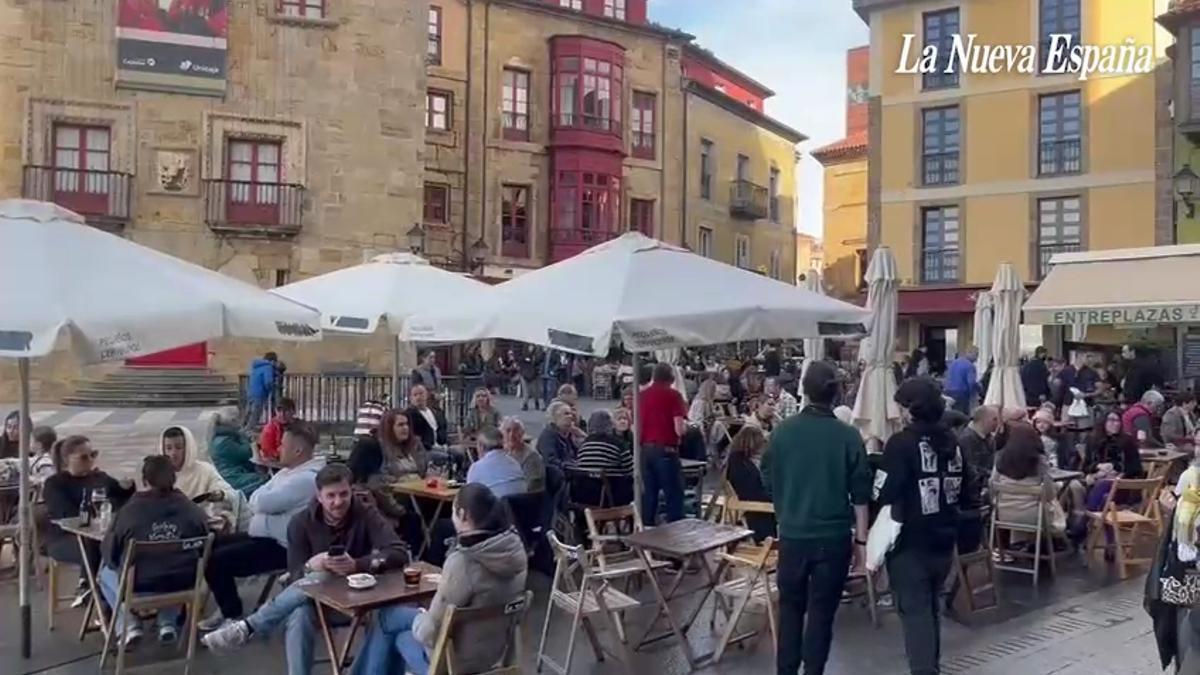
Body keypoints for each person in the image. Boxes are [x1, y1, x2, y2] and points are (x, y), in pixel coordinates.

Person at [204, 464, 409, 675]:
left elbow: (399, 552)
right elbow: (295, 578)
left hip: (361, 600)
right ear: (319, 496)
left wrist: (358, 564)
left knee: (313, 586)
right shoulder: (300, 523)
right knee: (301, 611)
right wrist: (312, 565)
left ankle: (249, 627)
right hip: (318, 603)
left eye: (343, 494)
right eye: (331, 496)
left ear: (351, 491)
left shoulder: (365, 513)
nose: (338, 502)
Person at [761, 361, 871, 675]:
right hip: (833, 536)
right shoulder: (848, 436)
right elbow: (861, 495)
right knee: (822, 613)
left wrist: (787, 500)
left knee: (791, 609)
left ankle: (786, 670)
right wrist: (861, 543)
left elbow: (767, 476)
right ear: (836, 393)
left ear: (805, 392)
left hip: (794, 533)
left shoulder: (783, 432)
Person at [350, 483, 528, 675]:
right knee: (394, 627)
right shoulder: (516, 552)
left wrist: (420, 616)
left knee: (388, 622)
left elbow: (429, 633)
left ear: (462, 514)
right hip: (492, 654)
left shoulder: (464, 563)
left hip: (453, 664)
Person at [877, 377, 978, 675]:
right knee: (930, 609)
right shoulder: (954, 444)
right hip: (944, 539)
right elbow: (966, 491)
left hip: (910, 541)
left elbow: (884, 491)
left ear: (910, 409)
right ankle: (930, 667)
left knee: (915, 613)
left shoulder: (901, 444)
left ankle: (925, 670)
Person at [201, 422, 325, 630]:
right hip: (263, 537)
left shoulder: (305, 479)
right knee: (210, 544)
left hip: (284, 547)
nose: (278, 449)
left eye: (283, 445)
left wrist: (261, 502)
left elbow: (261, 501)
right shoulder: (288, 473)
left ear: (298, 450)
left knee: (217, 560)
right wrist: (262, 502)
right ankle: (226, 606)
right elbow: (259, 495)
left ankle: (232, 615)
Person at [98, 455, 209, 646]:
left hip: (140, 585)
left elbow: (111, 553)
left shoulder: (130, 511)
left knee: (105, 573)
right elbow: (204, 540)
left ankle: (129, 625)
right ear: (174, 479)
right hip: (185, 583)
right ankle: (168, 622)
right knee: (173, 566)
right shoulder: (190, 509)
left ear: (144, 480)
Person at [43, 435, 136, 607]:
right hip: (63, 538)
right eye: (84, 457)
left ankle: (107, 597)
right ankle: (94, 594)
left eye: (93, 454)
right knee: (95, 547)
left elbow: (122, 498)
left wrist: (127, 487)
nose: (90, 460)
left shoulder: (100, 477)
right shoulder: (55, 484)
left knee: (120, 546)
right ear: (66, 459)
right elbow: (66, 514)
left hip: (98, 536)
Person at [991, 421, 1062, 545]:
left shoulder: (1001, 459)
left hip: (1004, 515)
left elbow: (992, 486)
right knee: (1055, 503)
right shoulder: (1039, 461)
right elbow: (1050, 494)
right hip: (1033, 517)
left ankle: (1019, 544)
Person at [160, 426, 240, 531]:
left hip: (201, 528)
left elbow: (230, 493)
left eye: (178, 447)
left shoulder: (205, 470)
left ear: (188, 448)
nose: (173, 453)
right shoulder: (159, 474)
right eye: (169, 448)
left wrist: (220, 494)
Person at [639, 362, 689, 526]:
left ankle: (646, 533)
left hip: (645, 450)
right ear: (671, 378)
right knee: (673, 496)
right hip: (666, 450)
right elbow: (679, 429)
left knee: (649, 496)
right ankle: (675, 537)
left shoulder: (642, 395)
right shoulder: (673, 395)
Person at [573, 410, 634, 507]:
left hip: (582, 496)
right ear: (610, 424)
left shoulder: (583, 445)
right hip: (609, 496)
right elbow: (630, 470)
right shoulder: (618, 444)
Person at [725, 426, 776, 543]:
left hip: (755, 500)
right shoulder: (739, 464)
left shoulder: (740, 461)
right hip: (754, 505)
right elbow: (751, 490)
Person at [346, 438, 408, 525]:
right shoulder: (376, 481)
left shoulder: (347, 477)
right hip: (380, 524)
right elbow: (391, 507)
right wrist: (404, 509)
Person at [210, 411, 267, 497]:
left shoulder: (224, 437)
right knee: (263, 480)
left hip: (233, 472)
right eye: (237, 420)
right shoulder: (225, 442)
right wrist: (246, 438)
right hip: (231, 476)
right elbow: (247, 452)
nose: (240, 423)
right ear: (231, 422)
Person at [466, 427, 527, 498]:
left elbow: (469, 498)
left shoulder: (476, 468)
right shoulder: (515, 463)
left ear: (481, 446)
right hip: (521, 508)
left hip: (493, 508)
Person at [957, 405, 999, 506]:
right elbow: (971, 469)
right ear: (983, 420)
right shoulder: (967, 439)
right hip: (972, 494)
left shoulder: (990, 438)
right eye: (994, 419)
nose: (997, 423)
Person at [1085, 411, 1143, 479]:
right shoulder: (1093, 440)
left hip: (1120, 481)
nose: (1116, 424)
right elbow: (1085, 467)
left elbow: (1136, 467)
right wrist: (1098, 466)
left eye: (1118, 421)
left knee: (1103, 483)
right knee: (1075, 484)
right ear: (1104, 422)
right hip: (1096, 476)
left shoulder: (1127, 441)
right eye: (1111, 420)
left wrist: (1114, 467)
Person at [380, 408, 429, 481]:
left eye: (407, 424)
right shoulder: (381, 448)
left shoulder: (416, 444)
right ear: (390, 428)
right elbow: (378, 477)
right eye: (401, 425)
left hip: (419, 488)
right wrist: (398, 480)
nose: (405, 428)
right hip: (395, 490)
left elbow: (427, 468)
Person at [501, 416, 544, 494]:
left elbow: (532, 485)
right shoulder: (501, 453)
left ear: (522, 433)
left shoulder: (531, 456)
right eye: (508, 431)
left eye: (516, 430)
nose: (511, 435)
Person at [536, 401, 581, 470]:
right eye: (566, 414)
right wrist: (572, 466)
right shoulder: (548, 436)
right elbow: (550, 461)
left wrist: (582, 435)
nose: (571, 417)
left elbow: (578, 454)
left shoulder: (566, 435)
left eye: (571, 414)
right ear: (554, 417)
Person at [243, 352, 279, 431]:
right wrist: (272, 388)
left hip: (251, 392)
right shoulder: (268, 367)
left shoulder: (257, 367)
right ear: (273, 361)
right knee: (255, 415)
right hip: (260, 393)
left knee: (249, 413)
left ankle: (243, 427)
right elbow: (268, 382)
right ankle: (247, 431)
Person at [406, 384, 448, 451]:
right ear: (411, 398)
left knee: (458, 453)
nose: (418, 397)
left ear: (426, 395)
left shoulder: (436, 412)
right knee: (446, 457)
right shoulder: (409, 415)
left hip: (442, 445)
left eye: (421, 394)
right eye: (415, 395)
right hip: (424, 449)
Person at [257, 397, 297, 462]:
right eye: (279, 411)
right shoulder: (270, 429)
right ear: (275, 411)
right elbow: (268, 452)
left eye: (286, 411)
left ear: (293, 412)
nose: (282, 414)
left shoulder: (298, 425)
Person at [944, 346, 979, 414]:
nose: (977, 358)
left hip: (948, 392)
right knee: (962, 416)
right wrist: (978, 389)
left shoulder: (954, 363)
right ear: (969, 353)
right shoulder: (970, 366)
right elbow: (971, 383)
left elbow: (947, 376)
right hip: (961, 394)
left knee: (951, 414)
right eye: (976, 355)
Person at [519, 345, 542, 412]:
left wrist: (535, 359)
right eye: (530, 346)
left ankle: (536, 402)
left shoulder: (536, 355)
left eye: (532, 347)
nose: (531, 348)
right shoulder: (524, 354)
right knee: (526, 391)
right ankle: (525, 404)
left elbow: (539, 362)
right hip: (524, 374)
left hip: (533, 375)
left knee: (535, 391)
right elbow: (520, 362)